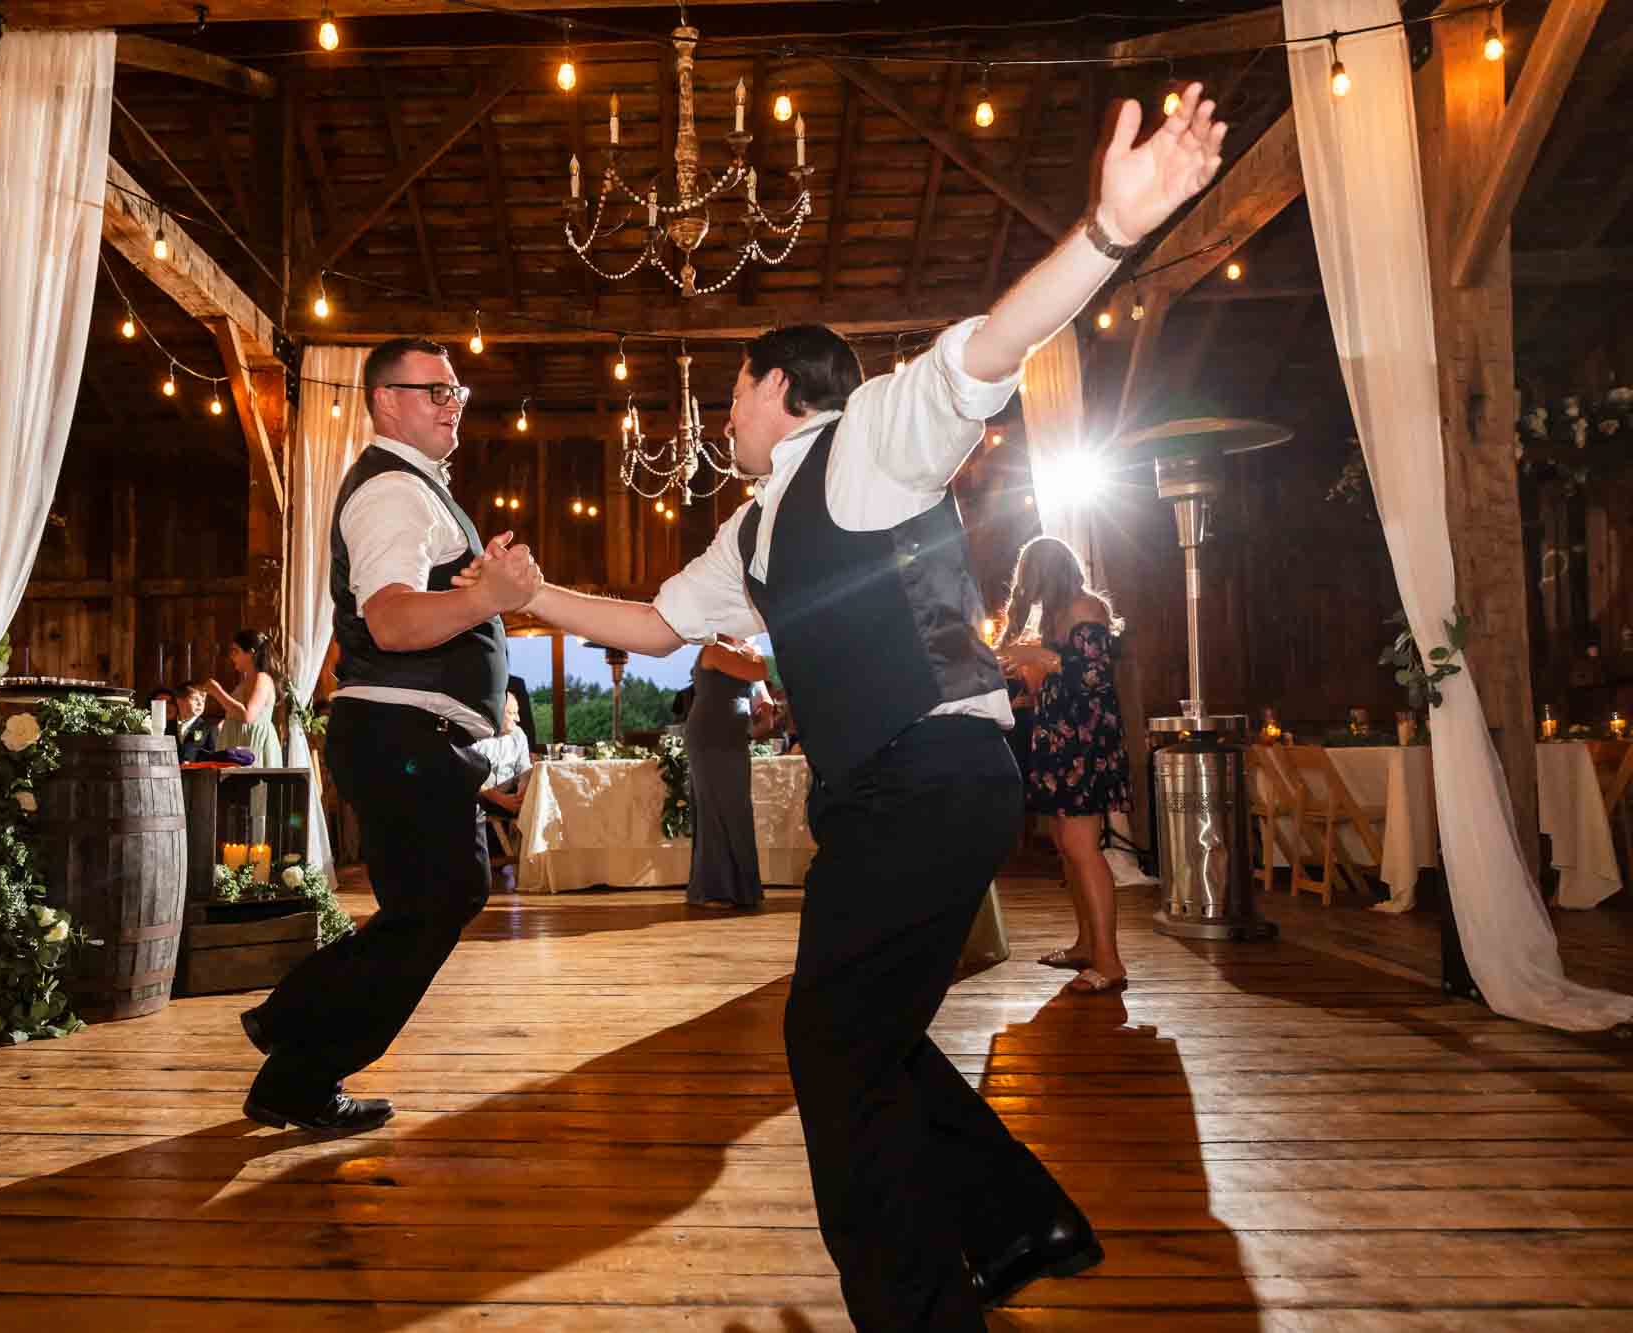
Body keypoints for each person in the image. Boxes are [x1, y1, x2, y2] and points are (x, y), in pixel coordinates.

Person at [450, 85, 1227, 1330]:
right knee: (856, 1032)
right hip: (883, 797)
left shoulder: (866, 441)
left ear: (773, 387)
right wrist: (536, 595)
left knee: (831, 1047)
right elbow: (654, 624)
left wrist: (1106, 230)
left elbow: (983, 352)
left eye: (735, 392)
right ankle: (1019, 1219)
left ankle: (922, 1309)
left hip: (933, 775)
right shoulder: (748, 533)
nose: (726, 415)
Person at [236, 335, 543, 1134]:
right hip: (402, 731)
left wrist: (481, 584)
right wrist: (489, 599)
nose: (454, 405)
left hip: (409, 734)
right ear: (384, 400)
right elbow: (393, 618)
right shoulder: (393, 493)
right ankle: (296, 1047)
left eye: (458, 393)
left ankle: (293, 1039)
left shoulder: (418, 491)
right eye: (435, 391)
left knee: (432, 900)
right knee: (440, 899)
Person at [996, 536, 1131, 996]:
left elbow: (1094, 677)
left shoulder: (1086, 607)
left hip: (1086, 743)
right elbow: (1056, 684)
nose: (1028, 594)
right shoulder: (1055, 614)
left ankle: (1110, 962)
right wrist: (1029, 682)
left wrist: (1040, 657)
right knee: (1065, 844)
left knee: (1081, 846)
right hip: (1059, 740)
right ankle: (1085, 945)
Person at [684, 635, 770, 910]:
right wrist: (759, 656)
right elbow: (760, 671)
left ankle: (740, 888)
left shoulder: (741, 653)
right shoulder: (715, 649)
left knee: (737, 809)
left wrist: (764, 708)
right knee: (717, 810)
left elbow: (761, 694)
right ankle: (714, 890)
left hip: (733, 738)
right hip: (710, 737)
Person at [204, 629, 283, 768]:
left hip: (251, 744)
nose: (231, 656)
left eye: (235, 651)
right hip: (238, 740)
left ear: (251, 653)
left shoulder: (262, 678)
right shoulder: (246, 680)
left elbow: (247, 715)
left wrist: (217, 692)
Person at [472, 692, 534, 816]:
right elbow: (470, 778)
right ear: (497, 713)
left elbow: (524, 769)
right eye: (512, 713)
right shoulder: (476, 734)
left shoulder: (518, 734)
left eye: (517, 712)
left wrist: (520, 797)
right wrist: (502, 800)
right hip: (479, 800)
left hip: (510, 795)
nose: (518, 719)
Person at [170, 682, 222, 763]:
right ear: (179, 701)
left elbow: (212, 757)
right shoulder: (167, 725)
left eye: (203, 700)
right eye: (195, 699)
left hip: (195, 774)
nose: (200, 704)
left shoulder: (208, 728)